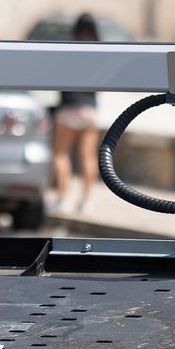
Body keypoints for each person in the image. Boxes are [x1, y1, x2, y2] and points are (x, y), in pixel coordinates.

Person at [52, 13, 103, 211]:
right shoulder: (99, 51)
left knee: (61, 155)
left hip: (68, 107)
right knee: (87, 157)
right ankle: (86, 201)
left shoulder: (68, 48)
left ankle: (62, 198)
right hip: (89, 109)